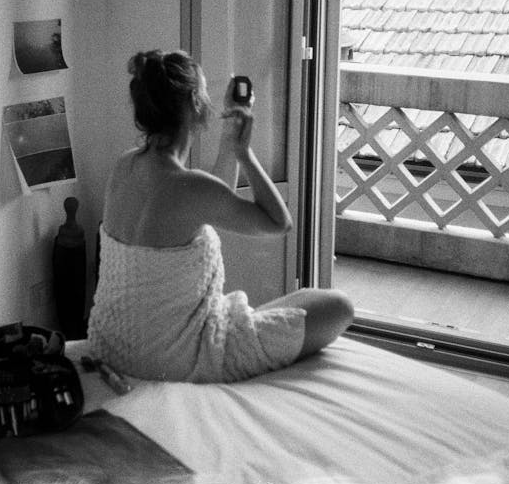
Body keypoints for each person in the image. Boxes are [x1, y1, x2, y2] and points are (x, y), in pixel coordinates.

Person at [87, 49, 353, 383]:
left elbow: (206, 208)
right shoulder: (190, 188)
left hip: (112, 346)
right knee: (339, 306)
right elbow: (278, 222)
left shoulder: (124, 166)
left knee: (300, 302)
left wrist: (229, 145)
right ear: (197, 106)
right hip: (177, 357)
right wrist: (245, 153)